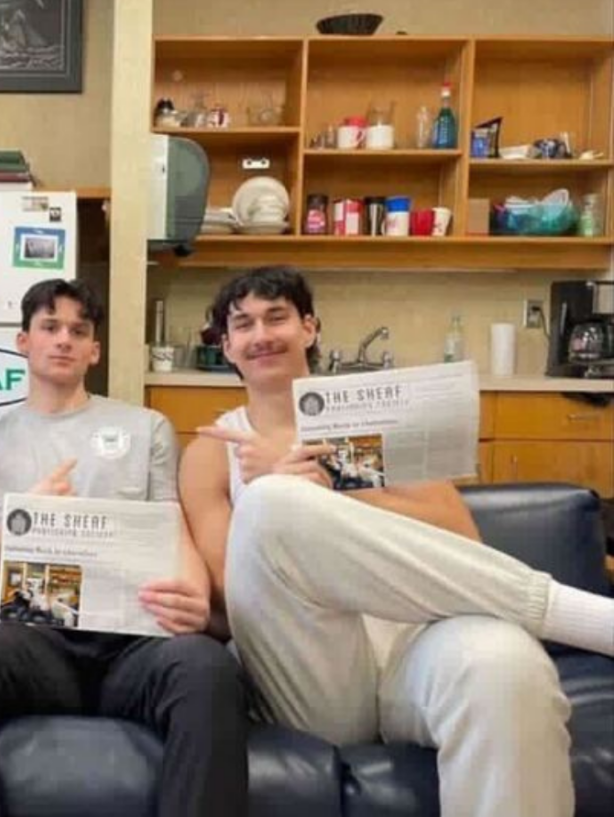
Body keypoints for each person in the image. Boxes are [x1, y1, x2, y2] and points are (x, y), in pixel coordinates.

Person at [179, 265, 614, 817]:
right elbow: (231, 595)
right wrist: (286, 490)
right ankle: (580, 616)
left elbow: (463, 541)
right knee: (269, 501)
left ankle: (556, 622)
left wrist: (335, 484)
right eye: (243, 324)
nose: (261, 334)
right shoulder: (209, 453)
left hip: (413, 646)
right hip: (310, 672)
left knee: (507, 667)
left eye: (277, 317)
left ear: (310, 328)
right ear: (228, 346)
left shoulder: (376, 427)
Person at [0, 278, 250, 817]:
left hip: (134, 642)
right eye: (50, 327)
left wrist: (194, 598)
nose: (64, 339)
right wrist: (20, 523)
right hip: (34, 644)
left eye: (79, 330)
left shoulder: (147, 429)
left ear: (95, 349)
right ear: (23, 342)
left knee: (207, 668)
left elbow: (173, 528)